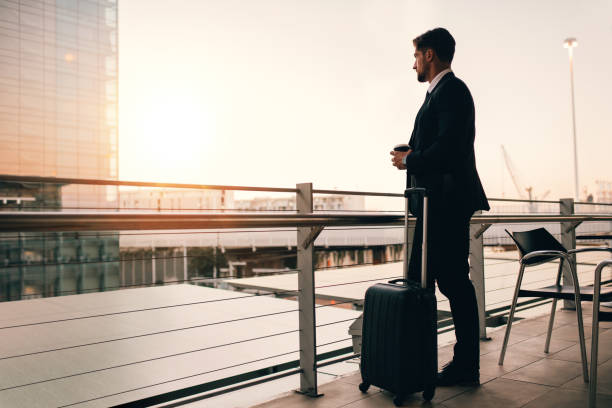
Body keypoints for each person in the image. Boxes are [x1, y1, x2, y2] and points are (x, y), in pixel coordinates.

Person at [390, 27, 489, 386]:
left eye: (416, 55)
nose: (413, 62)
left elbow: (448, 149)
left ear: (429, 55)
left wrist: (410, 160)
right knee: (439, 282)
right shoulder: (441, 93)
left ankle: (452, 364)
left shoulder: (452, 91)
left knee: (447, 283)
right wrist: (413, 156)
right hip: (437, 206)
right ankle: (438, 362)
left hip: (445, 206)